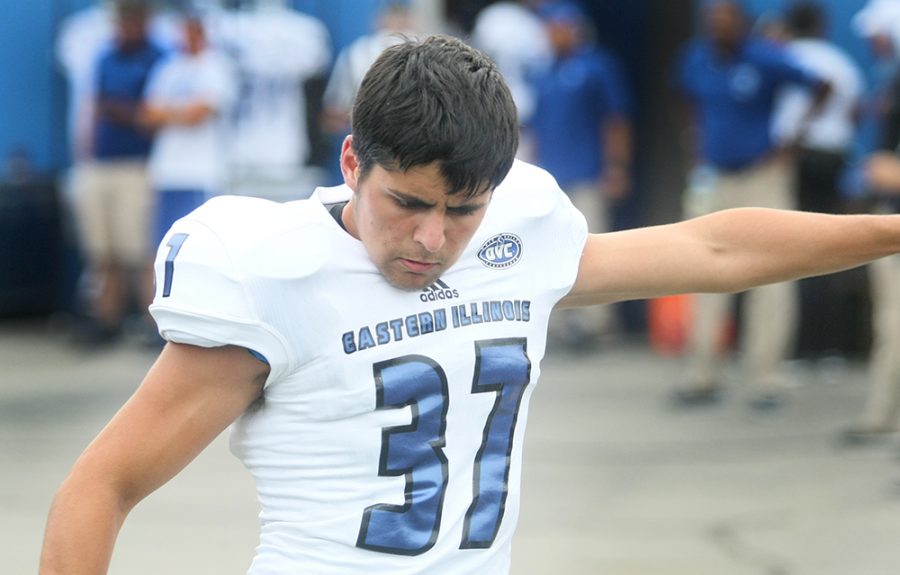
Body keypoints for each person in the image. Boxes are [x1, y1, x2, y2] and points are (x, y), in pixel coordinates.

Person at [40, 35, 900, 575]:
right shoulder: (272, 273)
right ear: (350, 162)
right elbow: (101, 484)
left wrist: (888, 232)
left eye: (463, 210)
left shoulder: (519, 232)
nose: (432, 239)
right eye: (407, 203)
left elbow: (714, 248)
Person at [674, 0, 831, 409]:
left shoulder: (765, 57)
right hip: (714, 176)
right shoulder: (696, 57)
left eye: (726, 19)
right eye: (712, 19)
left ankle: (766, 379)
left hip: (762, 176)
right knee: (698, 268)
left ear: (741, 23)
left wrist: (792, 144)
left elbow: (822, 87)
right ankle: (702, 375)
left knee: (774, 271)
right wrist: (695, 145)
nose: (718, 26)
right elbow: (688, 99)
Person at [529, 1, 633, 349]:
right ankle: (557, 330)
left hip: (589, 173)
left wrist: (616, 166)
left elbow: (615, 120)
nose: (551, 34)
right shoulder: (544, 74)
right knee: (550, 249)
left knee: (594, 247)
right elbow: (537, 128)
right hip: (552, 178)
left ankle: (599, 327)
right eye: (548, 28)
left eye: (557, 27)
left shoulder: (596, 66)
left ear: (573, 28)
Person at [770, 1, 865, 362]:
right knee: (830, 247)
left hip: (800, 158)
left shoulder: (786, 57)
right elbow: (856, 112)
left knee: (791, 248)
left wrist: (796, 137)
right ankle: (828, 349)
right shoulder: (842, 61)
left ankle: (796, 349)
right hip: (834, 158)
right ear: (822, 27)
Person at [72, 0, 166, 345]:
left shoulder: (158, 58)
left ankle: (152, 322)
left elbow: (152, 115)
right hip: (101, 162)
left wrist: (123, 112)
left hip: (138, 165)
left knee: (140, 250)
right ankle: (106, 320)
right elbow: (94, 108)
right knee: (102, 249)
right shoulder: (104, 57)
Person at [140, 12, 237, 254]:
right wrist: (183, 110)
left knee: (198, 243)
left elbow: (200, 114)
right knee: (163, 245)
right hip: (165, 171)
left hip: (200, 171)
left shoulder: (216, 66)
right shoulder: (168, 68)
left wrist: (167, 112)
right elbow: (147, 115)